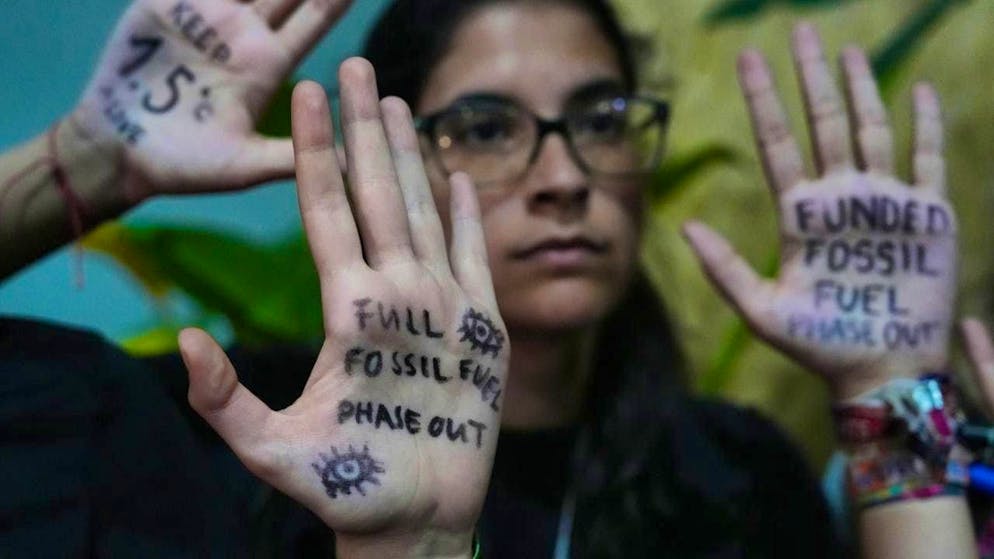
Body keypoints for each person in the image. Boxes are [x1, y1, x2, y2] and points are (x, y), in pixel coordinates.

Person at [0, 0, 978, 557]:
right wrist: (87, 159)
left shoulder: (731, 472)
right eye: (483, 128)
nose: (563, 178)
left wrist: (890, 384)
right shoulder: (222, 431)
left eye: (599, 118)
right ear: (383, 165)